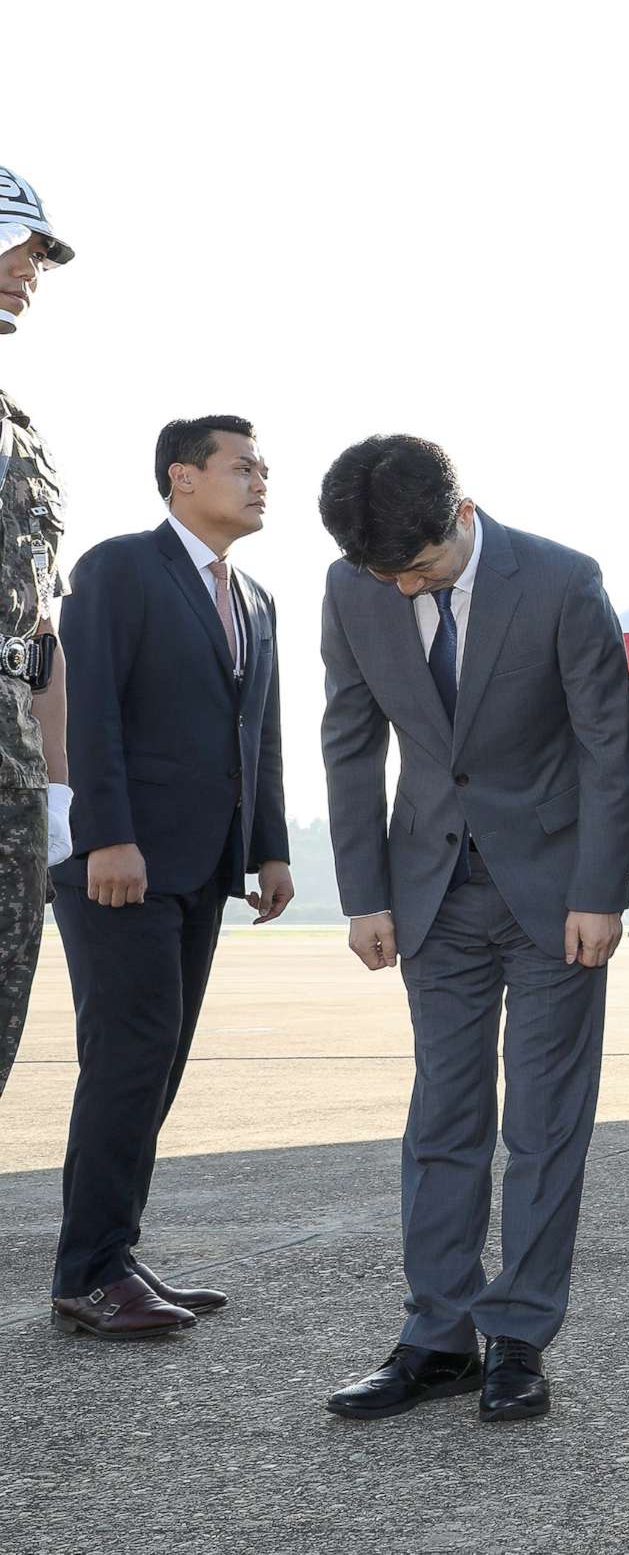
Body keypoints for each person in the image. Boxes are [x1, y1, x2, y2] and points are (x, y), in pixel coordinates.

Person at [315, 435, 629, 1423]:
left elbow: (605, 743)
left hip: (553, 898)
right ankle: (437, 1334)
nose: (405, 587)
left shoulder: (562, 581)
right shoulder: (352, 586)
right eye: (386, 574)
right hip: (429, 892)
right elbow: (349, 736)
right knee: (443, 1119)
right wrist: (365, 893)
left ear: (463, 513)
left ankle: (519, 1336)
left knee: (544, 1125)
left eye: (420, 569)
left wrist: (601, 892)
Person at [47, 416, 293, 1338]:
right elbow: (89, 705)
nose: (261, 479)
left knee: (160, 1059)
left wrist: (266, 848)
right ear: (182, 477)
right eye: (243, 466)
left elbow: (256, 736)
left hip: (200, 866)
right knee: (129, 1058)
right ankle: (89, 1272)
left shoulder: (256, 598)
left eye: (265, 467)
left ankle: (112, 1255)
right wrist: (106, 835)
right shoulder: (120, 568)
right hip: (121, 864)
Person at [0, 165, 74, 1104]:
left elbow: (40, 622)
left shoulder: (22, 432)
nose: (33, 269)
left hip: (13, 767)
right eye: (21, 243)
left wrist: (56, 780)